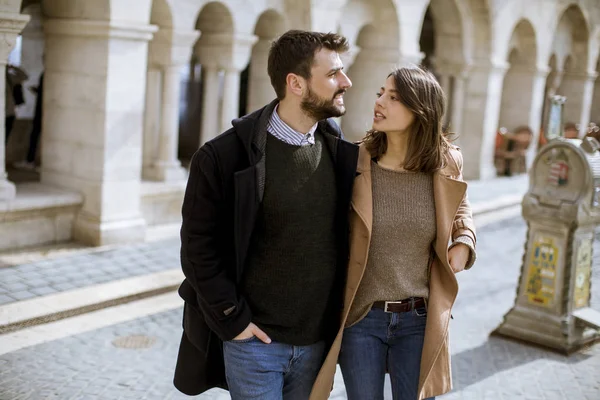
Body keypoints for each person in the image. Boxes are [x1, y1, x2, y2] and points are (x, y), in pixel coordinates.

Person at [173, 30, 358, 400]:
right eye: (333, 74)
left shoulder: (337, 147)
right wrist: (234, 321)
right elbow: (198, 250)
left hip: (316, 344)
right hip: (255, 343)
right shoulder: (222, 157)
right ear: (296, 84)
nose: (346, 82)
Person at [310, 66, 477, 400]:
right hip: (362, 319)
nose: (380, 102)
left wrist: (464, 241)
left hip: (420, 318)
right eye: (381, 93)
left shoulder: (446, 162)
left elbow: (460, 205)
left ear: (421, 110)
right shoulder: (355, 162)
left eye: (394, 97)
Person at [13, 71, 43, 170]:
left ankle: (32, 161)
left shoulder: (46, 74)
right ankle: (30, 160)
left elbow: (23, 76)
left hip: (43, 112)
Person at [5, 64, 28, 145]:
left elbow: (24, 76)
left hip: (9, 113)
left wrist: (12, 67)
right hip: (8, 113)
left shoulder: (10, 78)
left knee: (5, 139)